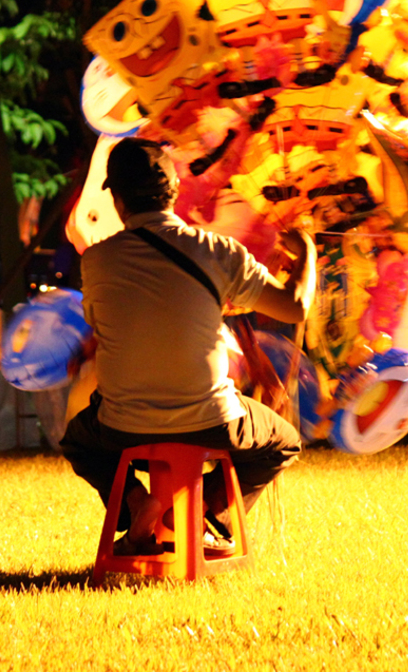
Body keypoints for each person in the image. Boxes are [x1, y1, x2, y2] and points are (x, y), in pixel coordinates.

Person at [60, 137, 316, 554]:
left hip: (122, 426)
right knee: (282, 442)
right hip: (212, 421)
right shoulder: (217, 251)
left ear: (118, 198)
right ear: (174, 194)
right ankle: (198, 516)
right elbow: (295, 307)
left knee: (78, 440)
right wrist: (306, 254)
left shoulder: (97, 260)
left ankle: (139, 504)